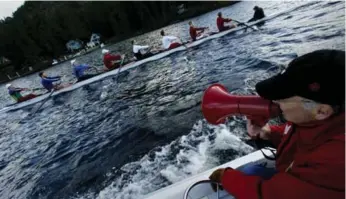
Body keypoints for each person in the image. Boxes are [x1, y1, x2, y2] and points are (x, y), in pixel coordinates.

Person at [209, 49, 345, 199]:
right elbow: (308, 137)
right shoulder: (319, 119)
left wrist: (225, 177)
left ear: (321, 111)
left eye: (283, 98)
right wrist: (269, 133)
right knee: (249, 170)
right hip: (294, 177)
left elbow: (271, 195)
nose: (275, 101)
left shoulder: (337, 159)